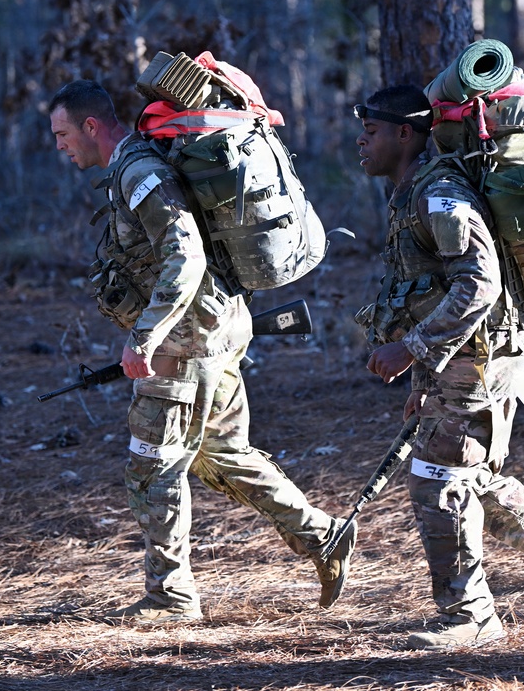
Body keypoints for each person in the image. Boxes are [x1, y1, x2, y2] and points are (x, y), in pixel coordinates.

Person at [47, 79, 356, 624]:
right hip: (211, 331)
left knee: (153, 467)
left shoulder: (138, 172)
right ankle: (322, 536)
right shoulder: (135, 165)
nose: (60, 146)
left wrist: (145, 334)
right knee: (222, 456)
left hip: (184, 342)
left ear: (92, 126)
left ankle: (170, 597)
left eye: (63, 133)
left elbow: (185, 254)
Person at [354, 84, 524, 650]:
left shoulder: (439, 194)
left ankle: (470, 616)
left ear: (405, 134)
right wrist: (424, 380)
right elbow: (429, 291)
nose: (362, 142)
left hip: (484, 357)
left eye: (373, 132)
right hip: (469, 359)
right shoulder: (415, 192)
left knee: (438, 481)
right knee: (469, 481)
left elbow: (479, 283)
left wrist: (412, 349)